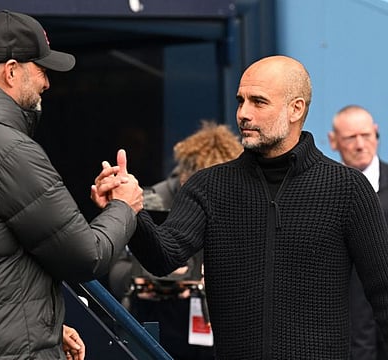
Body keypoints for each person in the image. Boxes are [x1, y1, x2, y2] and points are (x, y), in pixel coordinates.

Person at [98, 55, 388, 359]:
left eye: (258, 102)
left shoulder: (347, 188)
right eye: (241, 101)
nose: (243, 114)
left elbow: (382, 291)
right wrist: (130, 209)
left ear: (296, 108)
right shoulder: (208, 186)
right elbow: (163, 257)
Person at [0, 10, 143, 360]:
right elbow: (86, 257)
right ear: (12, 70)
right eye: (42, 70)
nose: (47, 83)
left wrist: (43, 327)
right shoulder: (8, 150)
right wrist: (124, 206)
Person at [108, 120, 243, 360]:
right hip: (154, 326)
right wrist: (148, 277)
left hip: (209, 335)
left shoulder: (237, 205)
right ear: (185, 176)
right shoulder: (149, 203)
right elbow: (116, 271)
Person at [329, 105, 388, 360]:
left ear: (376, 133)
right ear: (334, 141)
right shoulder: (323, 191)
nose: (360, 145)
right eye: (351, 138)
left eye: (366, 135)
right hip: (344, 332)